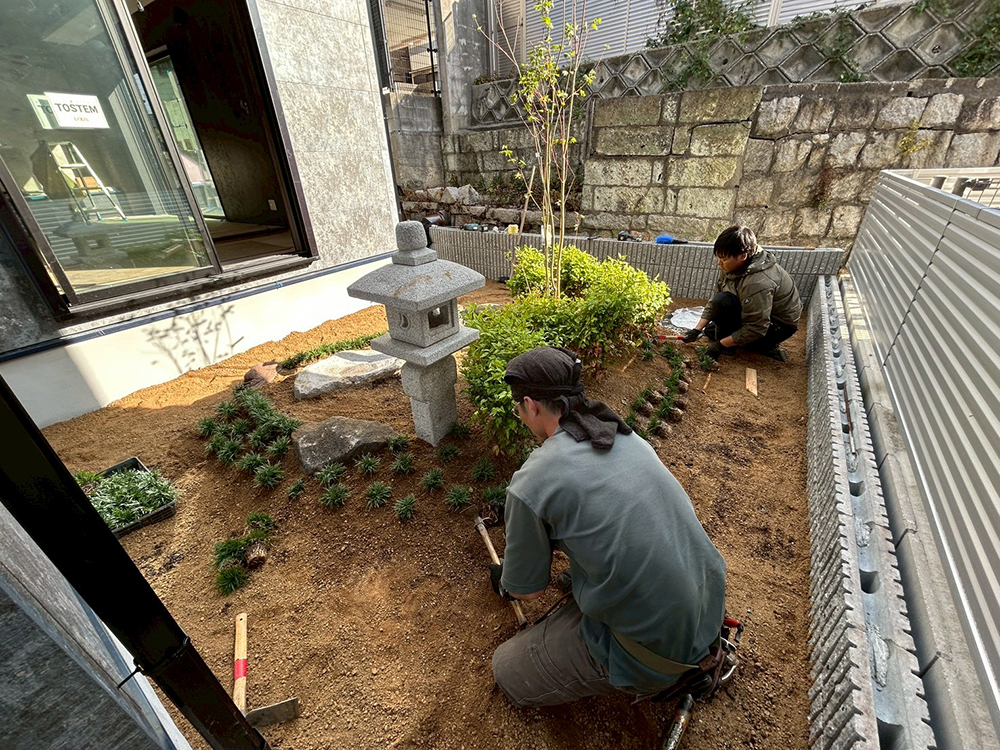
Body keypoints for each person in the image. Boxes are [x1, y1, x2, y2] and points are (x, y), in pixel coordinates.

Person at [489, 346, 727, 707]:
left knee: (506, 668)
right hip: (707, 611)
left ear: (531, 405)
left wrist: (506, 581)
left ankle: (652, 677)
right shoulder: (624, 436)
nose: (520, 416)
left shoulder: (532, 482)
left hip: (657, 654)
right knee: (577, 577)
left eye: (517, 409)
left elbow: (529, 591)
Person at [679, 225, 802, 361]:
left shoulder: (758, 282)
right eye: (718, 257)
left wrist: (720, 345)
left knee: (724, 319)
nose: (719, 263)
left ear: (743, 256)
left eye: (723, 259)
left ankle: (765, 346)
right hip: (758, 314)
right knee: (710, 330)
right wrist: (697, 329)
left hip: (778, 326)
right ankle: (744, 343)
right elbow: (715, 301)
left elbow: (757, 327)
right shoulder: (733, 266)